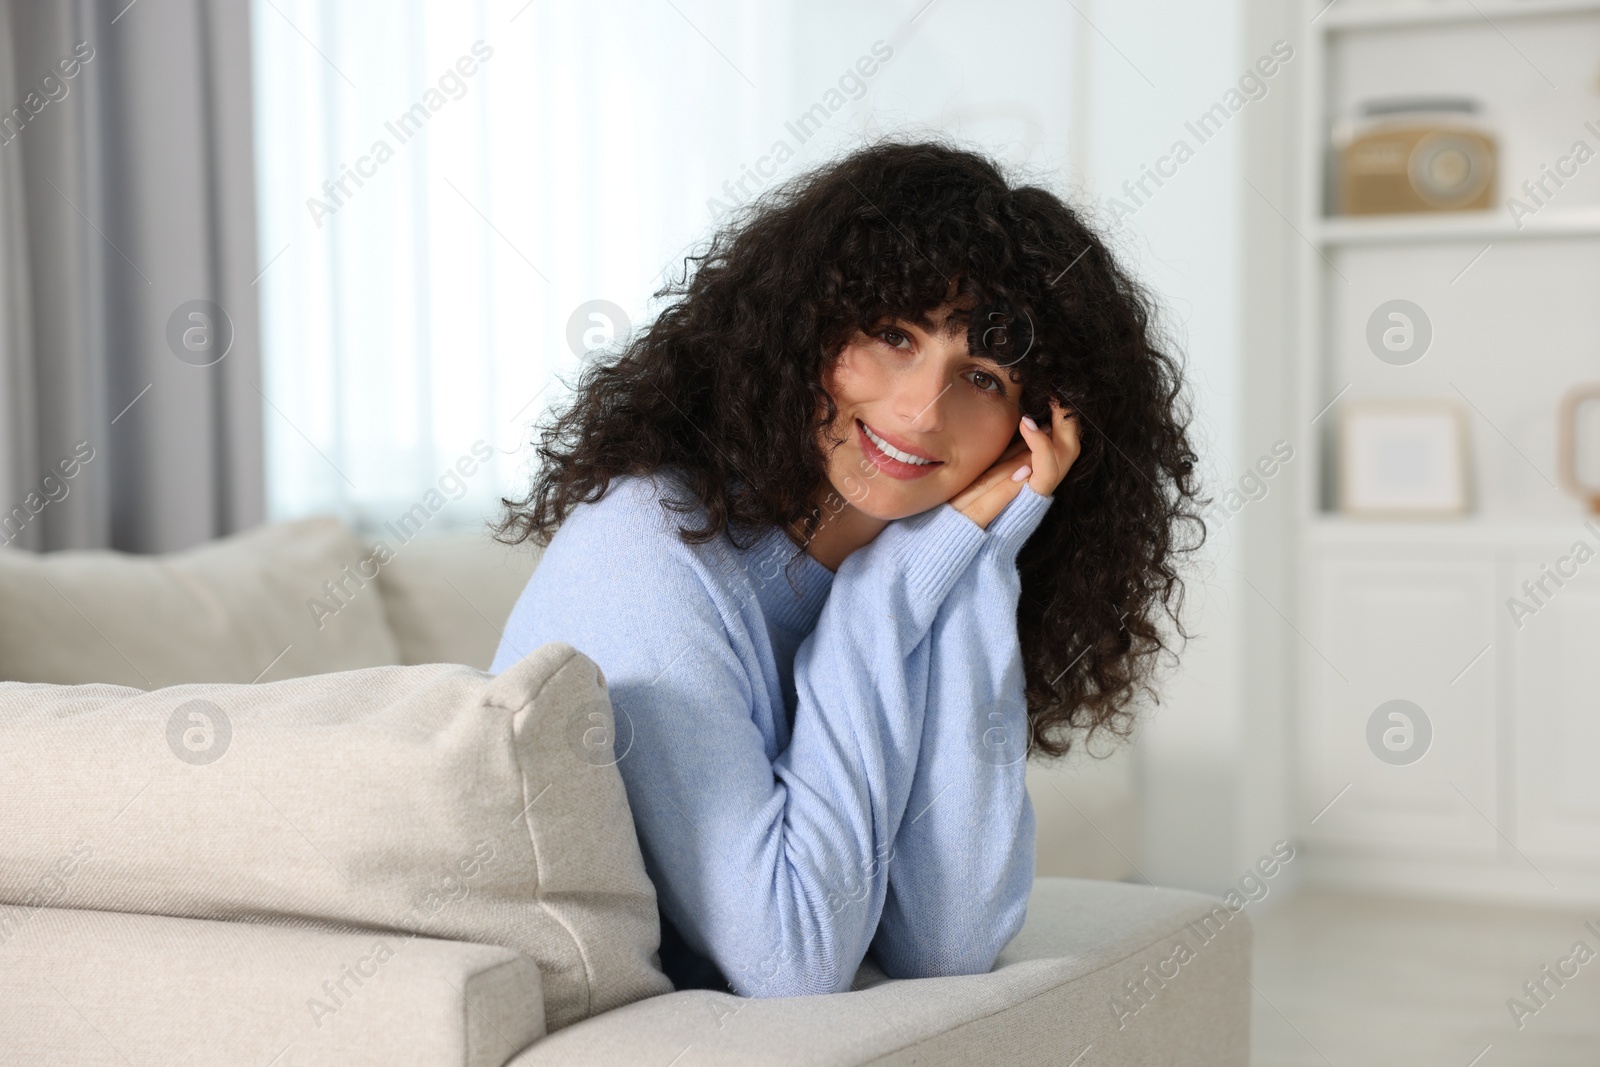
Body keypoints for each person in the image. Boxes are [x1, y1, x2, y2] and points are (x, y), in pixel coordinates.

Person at [490, 140, 1203, 998]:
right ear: (801, 327)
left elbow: (948, 940)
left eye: (979, 375)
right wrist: (892, 588)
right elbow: (790, 961)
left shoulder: (919, 554)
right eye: (895, 335)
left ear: (1034, 428)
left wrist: (976, 555)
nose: (920, 409)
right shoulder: (648, 551)